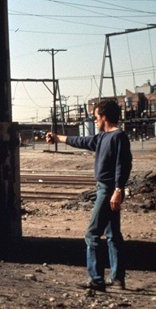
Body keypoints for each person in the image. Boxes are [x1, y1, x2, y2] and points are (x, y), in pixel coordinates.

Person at [46, 99, 132, 291]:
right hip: (106, 189)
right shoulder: (102, 138)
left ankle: (96, 279)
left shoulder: (119, 137)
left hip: (108, 190)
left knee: (92, 234)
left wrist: (118, 190)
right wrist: (58, 138)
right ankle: (117, 278)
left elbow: (123, 165)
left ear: (104, 117)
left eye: (96, 117)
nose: (94, 121)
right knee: (112, 234)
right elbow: (82, 141)